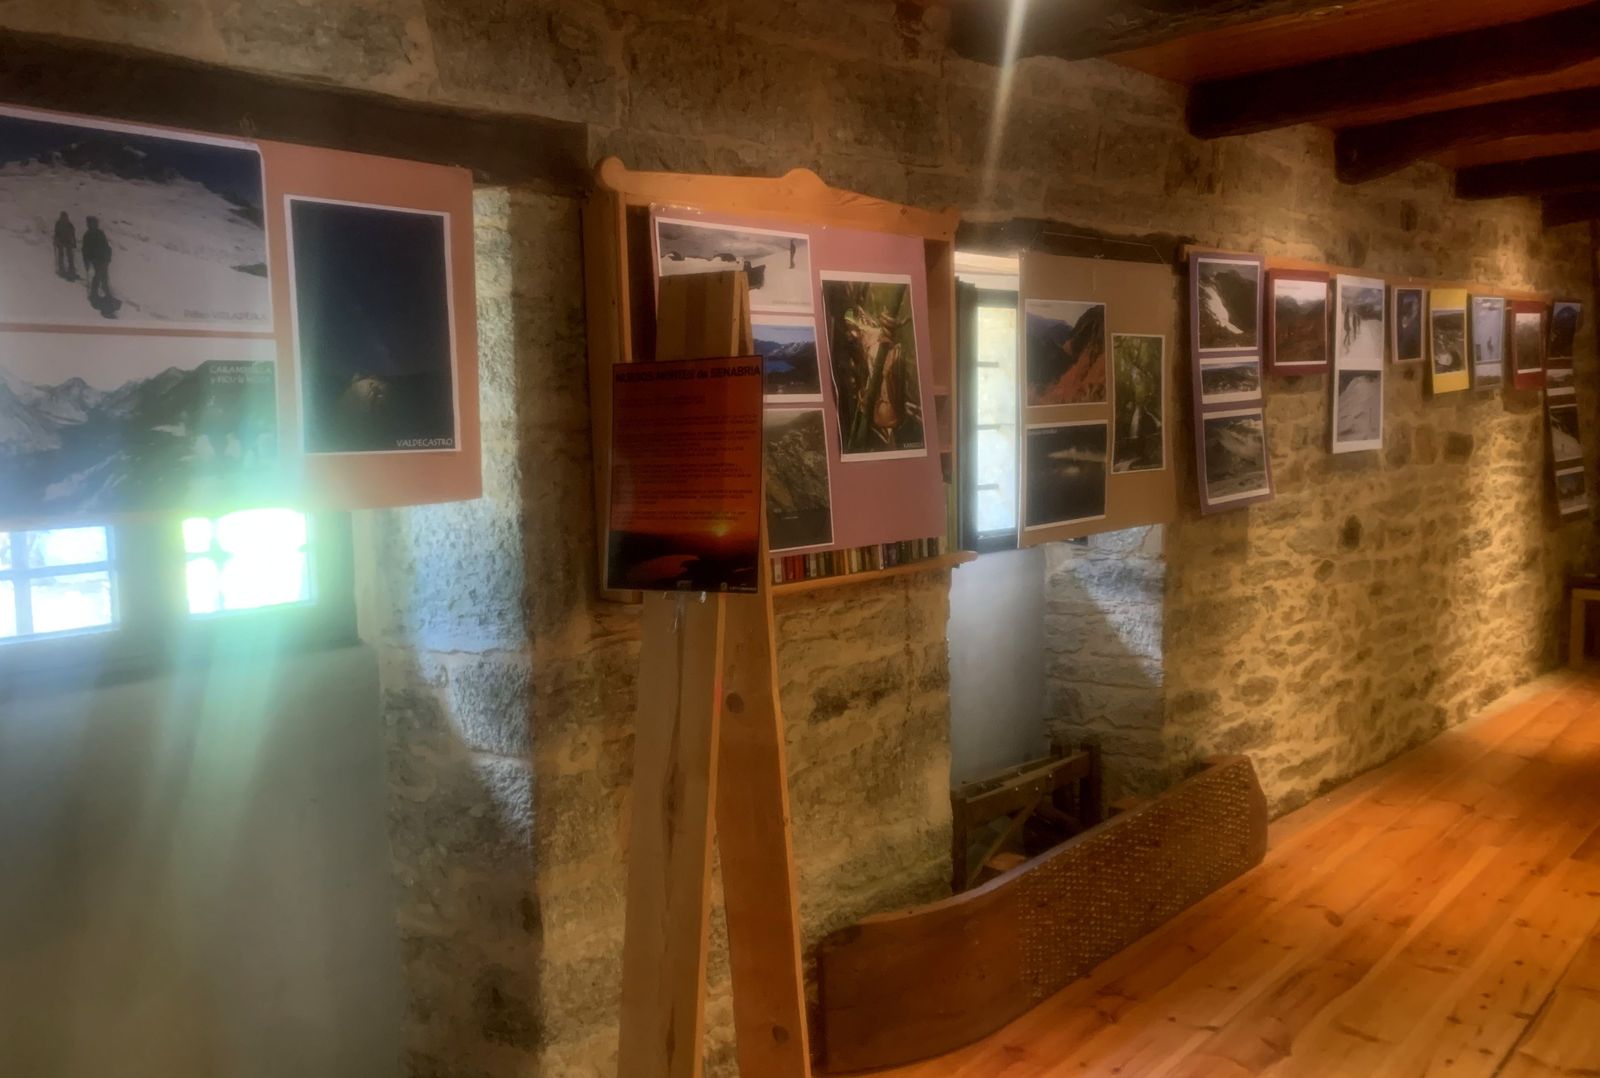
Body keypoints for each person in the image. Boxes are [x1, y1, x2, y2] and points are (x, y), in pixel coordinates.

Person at [81, 216, 113, 313]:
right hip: (95, 259)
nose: (94, 224)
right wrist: (86, 261)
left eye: (95, 223)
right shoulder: (87, 235)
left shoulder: (100, 233)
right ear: (89, 224)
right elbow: (85, 250)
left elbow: (106, 246)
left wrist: (108, 257)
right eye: (92, 223)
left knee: (104, 276)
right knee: (99, 275)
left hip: (103, 259)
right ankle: (95, 294)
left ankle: (106, 293)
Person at [52, 211, 76, 280]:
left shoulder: (69, 224)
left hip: (68, 242)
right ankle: (62, 269)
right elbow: (56, 233)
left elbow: (73, 233)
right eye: (63, 217)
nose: (64, 218)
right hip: (61, 241)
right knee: (61, 255)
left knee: (70, 256)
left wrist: (74, 242)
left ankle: (71, 270)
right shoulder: (59, 223)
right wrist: (56, 241)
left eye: (65, 217)